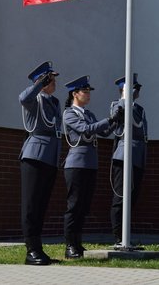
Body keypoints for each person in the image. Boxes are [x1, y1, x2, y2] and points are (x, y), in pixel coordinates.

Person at [62, 75, 123, 259]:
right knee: (74, 205)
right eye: (85, 92)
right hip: (76, 164)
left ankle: (78, 244)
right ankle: (70, 245)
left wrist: (116, 121)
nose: (88, 95)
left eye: (89, 92)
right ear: (75, 94)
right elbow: (87, 130)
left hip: (90, 163)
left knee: (84, 206)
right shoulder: (69, 113)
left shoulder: (88, 114)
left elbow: (103, 132)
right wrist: (109, 118)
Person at [19, 61, 62, 266]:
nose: (54, 82)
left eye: (52, 79)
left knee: (42, 205)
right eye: (50, 79)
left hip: (50, 157)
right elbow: (23, 97)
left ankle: (38, 248)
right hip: (34, 156)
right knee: (31, 205)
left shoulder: (54, 102)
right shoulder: (34, 99)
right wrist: (38, 85)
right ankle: (31, 250)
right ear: (42, 81)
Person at [110, 73, 148, 248]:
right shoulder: (117, 106)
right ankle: (119, 237)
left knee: (132, 197)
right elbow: (117, 122)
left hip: (137, 157)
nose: (137, 91)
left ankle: (127, 236)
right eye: (134, 88)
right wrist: (124, 98)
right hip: (123, 156)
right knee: (120, 197)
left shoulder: (139, 109)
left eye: (137, 88)